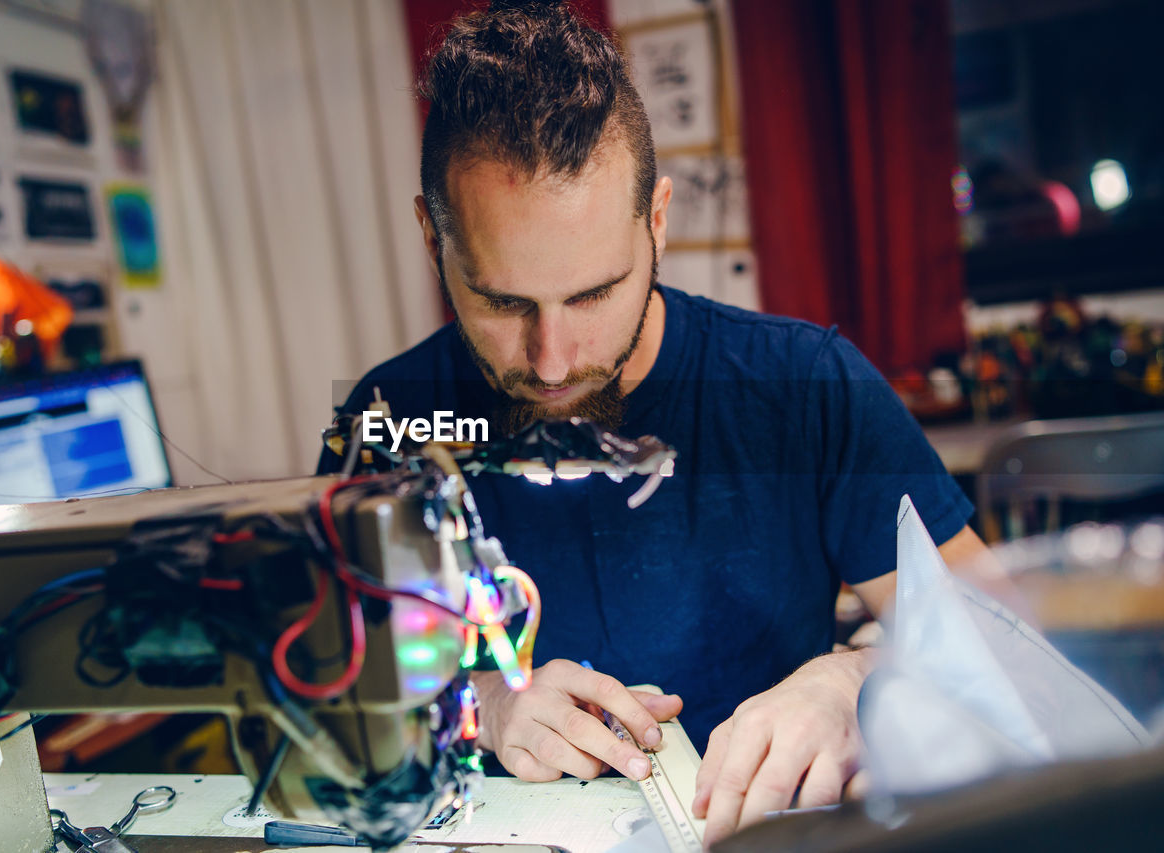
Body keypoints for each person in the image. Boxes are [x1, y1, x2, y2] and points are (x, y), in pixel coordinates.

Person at [317, 1, 988, 846]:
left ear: (658, 223)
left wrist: (854, 681)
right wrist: (476, 701)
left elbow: (999, 636)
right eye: (501, 301)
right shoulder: (390, 423)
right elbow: (340, 679)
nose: (553, 360)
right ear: (430, 238)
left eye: (594, 293)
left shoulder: (804, 387)